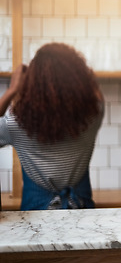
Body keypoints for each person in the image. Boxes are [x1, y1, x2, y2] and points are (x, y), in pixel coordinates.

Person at [0, 43, 104, 210]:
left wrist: (12, 90)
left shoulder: (17, 125)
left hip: (34, 220)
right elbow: (95, 94)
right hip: (82, 214)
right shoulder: (93, 116)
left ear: (32, 83)